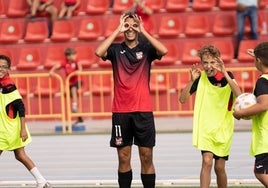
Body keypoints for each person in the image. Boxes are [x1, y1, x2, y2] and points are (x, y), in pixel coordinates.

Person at [95, 11, 168, 188]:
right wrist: (117, 29)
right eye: (126, 25)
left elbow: (163, 50)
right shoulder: (115, 50)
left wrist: (142, 30)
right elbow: (99, 52)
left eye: (133, 25)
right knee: (123, 157)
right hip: (121, 111)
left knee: (146, 156)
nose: (130, 28)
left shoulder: (146, 49)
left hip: (143, 110)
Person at [179, 45, 242, 188]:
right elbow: (182, 99)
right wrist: (191, 81)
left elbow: (239, 95)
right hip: (206, 128)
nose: (208, 66)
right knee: (207, 161)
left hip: (223, 128)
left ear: (218, 62)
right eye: (205, 62)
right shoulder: (199, 78)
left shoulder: (228, 77)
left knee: (219, 167)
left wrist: (225, 73)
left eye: (212, 62)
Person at [0, 55, 52, 188]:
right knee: (20, 155)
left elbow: (21, 107)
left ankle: (41, 181)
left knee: (20, 155)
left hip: (10, 128)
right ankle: (41, 181)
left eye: (4, 67)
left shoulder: (9, 86)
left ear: (9, 69)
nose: (1, 69)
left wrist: (23, 129)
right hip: (5, 126)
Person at [233, 42, 268, 187]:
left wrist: (240, 113)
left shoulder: (262, 81)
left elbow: (264, 105)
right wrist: (260, 55)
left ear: (258, 60)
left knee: (261, 172)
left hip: (265, 138)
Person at [49, 47, 83, 126]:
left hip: (77, 81)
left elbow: (80, 68)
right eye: (73, 55)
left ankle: (74, 107)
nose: (75, 56)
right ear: (68, 56)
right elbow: (57, 66)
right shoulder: (65, 62)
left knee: (74, 90)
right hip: (69, 83)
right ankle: (79, 117)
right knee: (70, 97)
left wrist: (78, 71)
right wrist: (51, 71)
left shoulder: (76, 61)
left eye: (75, 54)